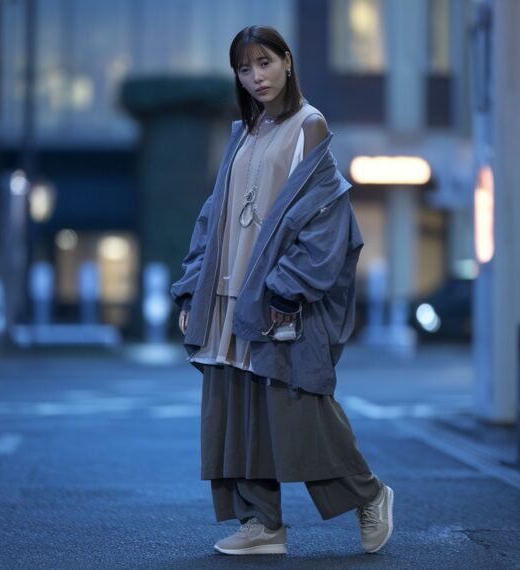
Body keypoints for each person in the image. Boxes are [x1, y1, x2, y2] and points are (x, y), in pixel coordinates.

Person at [170, 25, 394, 556]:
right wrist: (191, 292)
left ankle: (370, 495)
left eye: (264, 63)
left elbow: (326, 218)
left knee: (301, 409)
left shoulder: (308, 125)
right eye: (244, 69)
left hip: (276, 299)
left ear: (288, 62)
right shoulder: (244, 132)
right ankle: (262, 524)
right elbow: (214, 218)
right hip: (228, 298)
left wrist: (287, 288)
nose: (256, 77)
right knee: (238, 412)